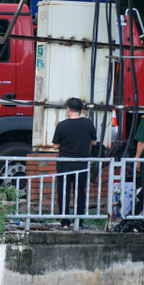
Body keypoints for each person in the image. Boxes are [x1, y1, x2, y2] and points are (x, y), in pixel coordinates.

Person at [52, 97, 97, 229]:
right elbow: (94, 142)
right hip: (81, 165)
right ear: (82, 109)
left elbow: (55, 146)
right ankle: (79, 221)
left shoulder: (62, 125)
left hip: (64, 165)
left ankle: (65, 223)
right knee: (80, 193)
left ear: (68, 110)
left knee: (63, 193)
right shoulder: (88, 124)